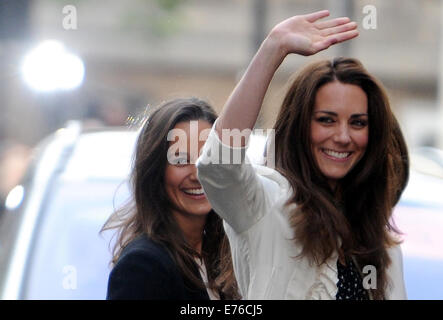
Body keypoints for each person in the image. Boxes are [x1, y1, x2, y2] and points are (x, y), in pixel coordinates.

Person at [196, 10, 409, 300]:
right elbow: (219, 165)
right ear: (299, 126)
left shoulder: (382, 244)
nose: (343, 136)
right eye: (326, 120)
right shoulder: (267, 206)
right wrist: (274, 48)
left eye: (357, 123)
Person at [104, 98, 239, 300]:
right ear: (155, 170)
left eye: (207, 158)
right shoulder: (142, 265)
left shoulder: (226, 257)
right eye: (181, 160)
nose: (197, 174)